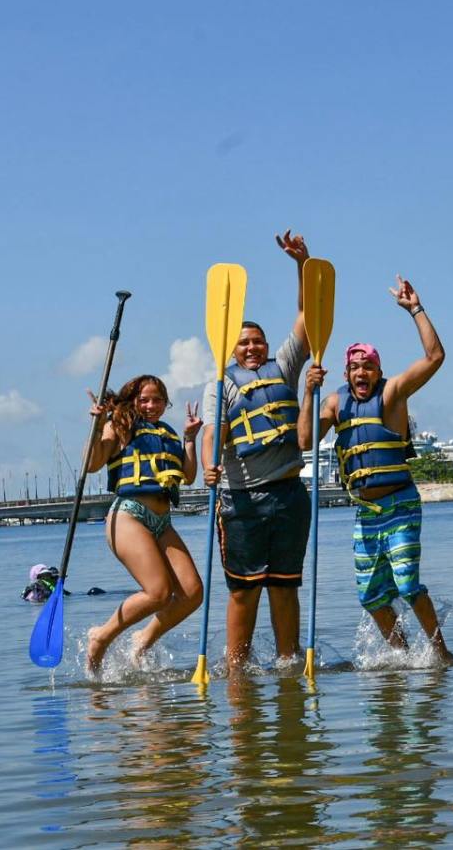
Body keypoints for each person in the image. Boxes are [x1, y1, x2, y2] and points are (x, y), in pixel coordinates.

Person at [298, 275, 453, 662]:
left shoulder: (392, 393)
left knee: (407, 583)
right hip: (365, 513)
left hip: (400, 505)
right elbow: (304, 441)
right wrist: (307, 391)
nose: (361, 373)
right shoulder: (334, 404)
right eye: (355, 368)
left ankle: (439, 653)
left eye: (368, 366)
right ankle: (400, 655)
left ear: (377, 370)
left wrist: (415, 309)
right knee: (371, 595)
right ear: (346, 373)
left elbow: (435, 358)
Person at [201, 230, 312, 670]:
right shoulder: (221, 383)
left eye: (257, 342)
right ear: (231, 348)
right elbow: (213, 433)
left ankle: (288, 663)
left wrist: (302, 265)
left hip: (288, 496)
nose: (252, 348)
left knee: (285, 587)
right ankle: (236, 669)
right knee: (244, 590)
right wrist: (208, 466)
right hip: (241, 499)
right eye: (244, 343)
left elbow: (306, 317)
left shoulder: (282, 367)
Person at [85, 374, 203, 672]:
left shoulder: (169, 433)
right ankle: (102, 636)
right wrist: (98, 425)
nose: (151, 405)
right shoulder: (119, 426)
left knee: (192, 593)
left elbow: (188, 476)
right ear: (132, 401)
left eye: (158, 400)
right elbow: (92, 464)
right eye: (144, 399)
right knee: (158, 593)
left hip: (162, 520)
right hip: (129, 514)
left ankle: (142, 638)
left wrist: (190, 439)